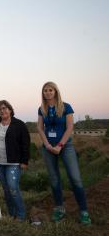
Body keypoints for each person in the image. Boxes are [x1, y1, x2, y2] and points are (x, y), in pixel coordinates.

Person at [37, 82, 91, 225]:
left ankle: (84, 211)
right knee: (54, 179)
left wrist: (60, 145)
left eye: (50, 90)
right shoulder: (42, 109)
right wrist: (47, 145)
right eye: (45, 91)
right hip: (48, 147)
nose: (47, 93)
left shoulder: (66, 107)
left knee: (75, 178)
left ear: (56, 91)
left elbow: (70, 127)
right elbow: (40, 128)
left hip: (65, 146)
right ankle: (60, 209)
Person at [0, 100, 30, 221]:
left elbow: (25, 144)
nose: (2, 111)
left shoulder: (19, 124)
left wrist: (25, 161)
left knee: (13, 187)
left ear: (10, 109)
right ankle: (11, 213)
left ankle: (21, 214)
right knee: (6, 189)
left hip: (14, 163)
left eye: (4, 108)